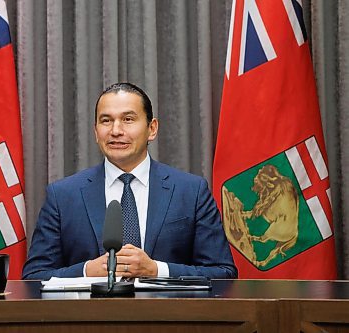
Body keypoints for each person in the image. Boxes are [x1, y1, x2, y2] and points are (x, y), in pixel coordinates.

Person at [23, 82, 237, 280]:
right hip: (89, 318)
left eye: (128, 119)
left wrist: (156, 270)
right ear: (96, 132)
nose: (116, 131)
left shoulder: (191, 191)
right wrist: (87, 270)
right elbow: (34, 277)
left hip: (168, 317)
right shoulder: (63, 196)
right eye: (106, 120)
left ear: (152, 129)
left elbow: (223, 273)